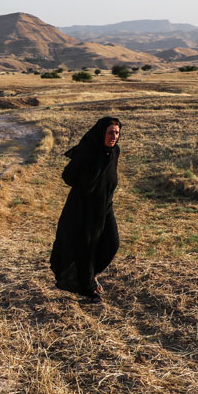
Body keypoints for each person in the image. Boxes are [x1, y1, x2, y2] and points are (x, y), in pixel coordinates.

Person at [49, 116, 121, 303]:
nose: (114, 136)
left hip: (105, 206)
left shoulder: (114, 152)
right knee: (86, 248)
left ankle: (90, 276)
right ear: (101, 133)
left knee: (112, 243)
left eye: (117, 133)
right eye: (110, 132)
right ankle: (88, 288)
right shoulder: (87, 152)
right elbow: (68, 176)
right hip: (83, 209)